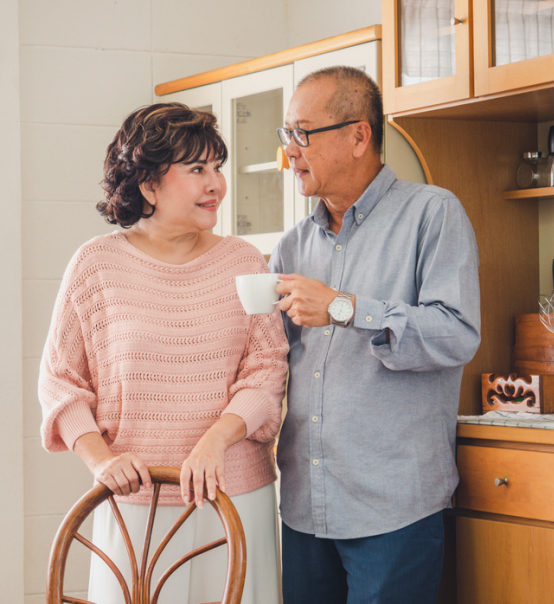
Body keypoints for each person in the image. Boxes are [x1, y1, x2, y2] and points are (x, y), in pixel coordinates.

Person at [39, 103, 289, 604]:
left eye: (217, 167)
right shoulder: (96, 265)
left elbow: (268, 371)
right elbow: (60, 382)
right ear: (148, 183)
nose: (215, 183)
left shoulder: (243, 260)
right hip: (135, 502)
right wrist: (100, 461)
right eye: (197, 169)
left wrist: (215, 441)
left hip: (235, 500)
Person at [269, 66, 481, 604]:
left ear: (359, 135)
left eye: (302, 133)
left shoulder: (433, 214)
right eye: (285, 134)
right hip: (304, 504)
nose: (289, 151)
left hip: (393, 509)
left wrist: (344, 308)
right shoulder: (292, 246)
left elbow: (457, 334)